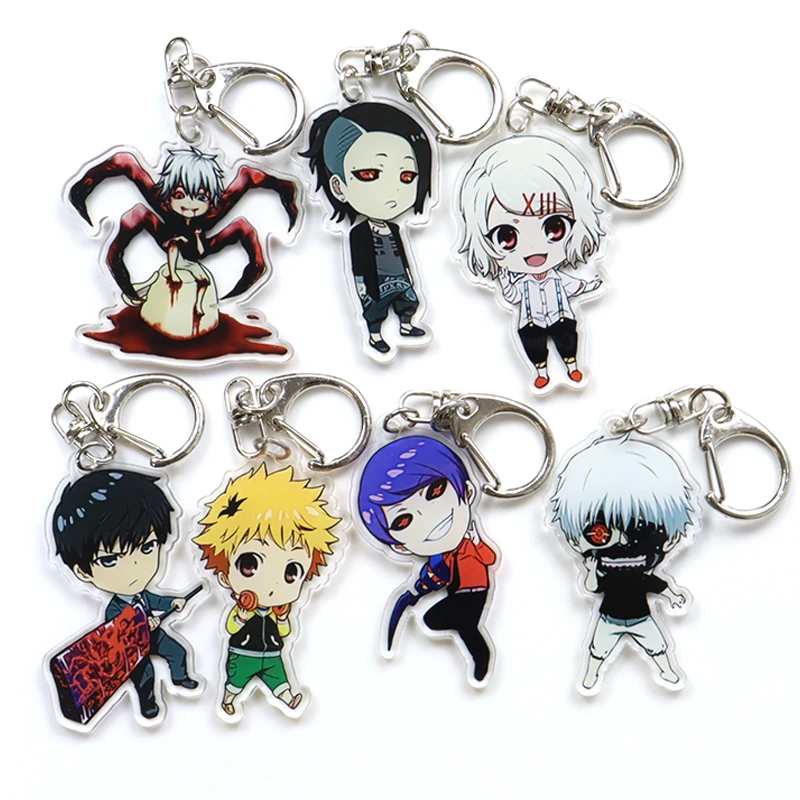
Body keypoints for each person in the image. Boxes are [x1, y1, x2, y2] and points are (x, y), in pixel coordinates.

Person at [458, 135, 606, 389]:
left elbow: (575, 286)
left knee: (567, 339)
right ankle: (541, 371)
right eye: (507, 237)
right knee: (534, 344)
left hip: (561, 316)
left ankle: (572, 366)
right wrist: (504, 280)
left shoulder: (557, 278)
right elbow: (512, 296)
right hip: (530, 321)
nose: (533, 248)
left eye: (554, 227)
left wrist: (592, 285)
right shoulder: (522, 282)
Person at [551, 436, 697, 692]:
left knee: (657, 647)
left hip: (642, 617)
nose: (621, 542)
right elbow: (592, 587)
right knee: (597, 650)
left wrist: (673, 596)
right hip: (609, 618)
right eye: (602, 530)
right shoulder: (604, 566)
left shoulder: (641, 569)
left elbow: (656, 583)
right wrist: (591, 570)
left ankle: (667, 670)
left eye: (640, 528)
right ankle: (591, 674)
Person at [194, 464, 340, 717]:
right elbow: (231, 627)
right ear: (225, 574)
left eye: (291, 571)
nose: (272, 585)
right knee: (236, 680)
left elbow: (285, 632)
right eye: (249, 565)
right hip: (243, 653)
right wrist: (243, 613)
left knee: (279, 677)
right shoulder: (242, 608)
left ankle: (289, 698)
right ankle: (228, 698)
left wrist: (282, 617)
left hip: (272, 653)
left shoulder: (276, 610)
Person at [51, 469, 197, 720]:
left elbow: (156, 600)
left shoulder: (143, 595)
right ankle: (148, 705)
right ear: (83, 572)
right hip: (130, 648)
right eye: (110, 560)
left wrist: (173, 601)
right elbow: (117, 631)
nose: (135, 567)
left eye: (147, 547)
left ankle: (181, 677)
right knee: (145, 675)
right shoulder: (114, 608)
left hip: (153, 636)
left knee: (177, 651)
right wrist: (143, 624)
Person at [358, 436, 496, 684]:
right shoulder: (440, 558)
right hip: (458, 593)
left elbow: (491, 558)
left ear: (467, 492)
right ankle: (473, 643)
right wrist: (418, 590)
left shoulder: (468, 544)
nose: (427, 516)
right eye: (404, 521)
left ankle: (479, 654)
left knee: (454, 623)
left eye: (436, 491)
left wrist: (476, 543)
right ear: (400, 546)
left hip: (475, 591)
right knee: (437, 621)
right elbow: (436, 576)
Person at [302, 103, 433, 355]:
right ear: (338, 186)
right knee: (375, 307)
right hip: (373, 279)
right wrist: (364, 284)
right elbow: (358, 264)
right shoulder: (358, 233)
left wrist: (406, 273)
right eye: (370, 174)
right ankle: (375, 336)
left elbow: (402, 255)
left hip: (399, 275)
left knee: (407, 299)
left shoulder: (394, 228)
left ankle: (406, 325)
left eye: (406, 177)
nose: (393, 190)